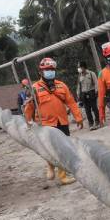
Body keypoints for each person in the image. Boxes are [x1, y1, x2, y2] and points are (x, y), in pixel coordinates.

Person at [24, 57, 83, 185]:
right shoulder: (34, 88)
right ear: (41, 72)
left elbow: (71, 102)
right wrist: (28, 122)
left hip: (61, 122)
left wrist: (78, 117)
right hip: (45, 124)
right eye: (47, 70)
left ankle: (62, 173)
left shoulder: (61, 85)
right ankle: (52, 167)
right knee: (51, 148)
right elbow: (29, 107)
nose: (50, 72)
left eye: (52, 69)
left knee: (63, 147)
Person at [76, 61, 100, 130]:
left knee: (94, 108)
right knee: (87, 110)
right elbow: (79, 86)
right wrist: (78, 94)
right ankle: (91, 123)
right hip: (84, 94)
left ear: (83, 67)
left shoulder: (91, 74)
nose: (79, 68)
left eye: (79, 67)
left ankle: (97, 122)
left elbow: (96, 83)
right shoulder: (79, 76)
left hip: (91, 92)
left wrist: (96, 91)